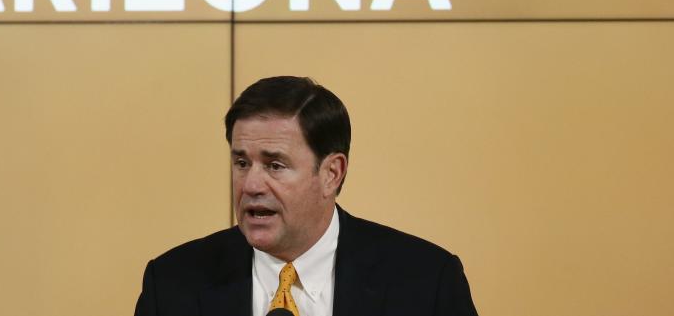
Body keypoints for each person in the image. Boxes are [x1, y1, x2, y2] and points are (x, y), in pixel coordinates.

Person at [134, 76, 478, 316]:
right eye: (242, 162)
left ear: (331, 174)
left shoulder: (425, 282)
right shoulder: (172, 284)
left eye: (275, 165)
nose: (251, 184)